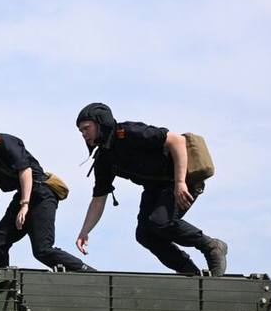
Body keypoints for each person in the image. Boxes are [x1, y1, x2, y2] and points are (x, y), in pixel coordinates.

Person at [74, 103, 227, 276]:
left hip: (180, 179)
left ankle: (212, 246)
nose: (84, 134)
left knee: (160, 222)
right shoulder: (104, 159)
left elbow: (177, 140)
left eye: (86, 128)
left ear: (101, 123)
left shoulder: (128, 132)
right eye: (81, 131)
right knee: (144, 234)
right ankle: (188, 272)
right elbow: (99, 198)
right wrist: (84, 231)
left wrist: (180, 182)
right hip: (155, 188)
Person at [0, 113, 94, 272]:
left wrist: (24, 205)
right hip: (24, 194)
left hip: (41, 193)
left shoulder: (4, 142)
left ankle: (88, 273)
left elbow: (25, 170)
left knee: (42, 250)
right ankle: (4, 283)